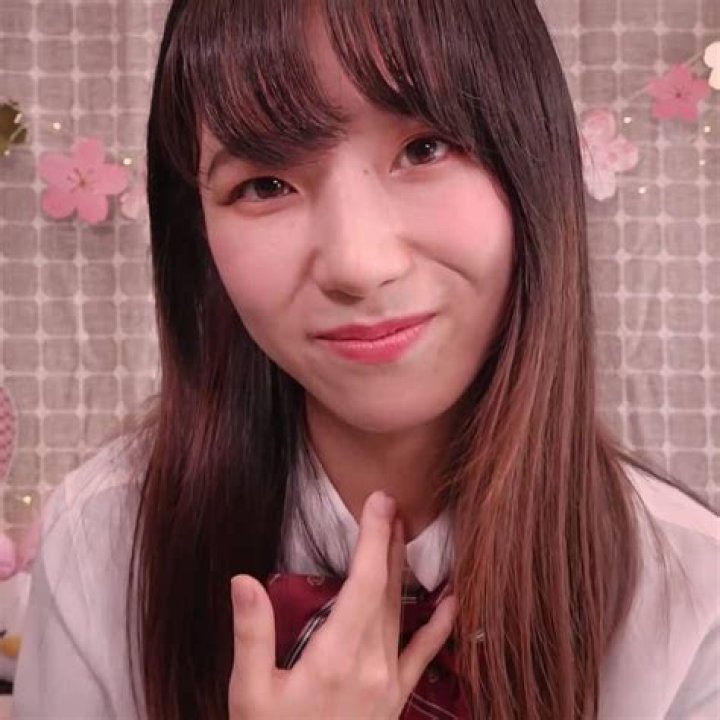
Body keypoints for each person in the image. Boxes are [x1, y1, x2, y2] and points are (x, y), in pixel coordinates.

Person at [13, 1, 720, 718]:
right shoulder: (106, 546)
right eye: (265, 185)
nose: (358, 263)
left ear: (533, 162)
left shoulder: (693, 593)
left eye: (425, 149)